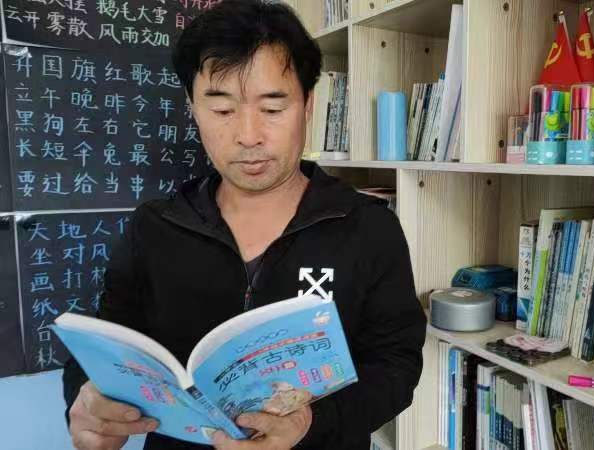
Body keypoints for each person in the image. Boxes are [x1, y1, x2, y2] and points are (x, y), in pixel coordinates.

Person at [61, 1, 427, 449]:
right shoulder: (153, 227)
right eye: (222, 110)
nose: (249, 136)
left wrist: (312, 422)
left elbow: (396, 365)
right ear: (193, 108)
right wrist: (86, 402)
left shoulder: (369, 227)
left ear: (308, 105)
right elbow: (106, 344)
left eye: (272, 109)